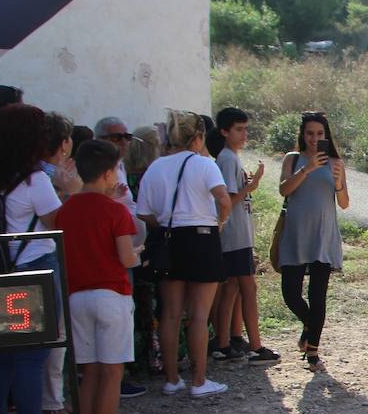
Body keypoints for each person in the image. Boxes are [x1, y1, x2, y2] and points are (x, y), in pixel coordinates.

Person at [0, 105, 69, 414]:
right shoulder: (34, 180)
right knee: (33, 355)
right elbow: (58, 222)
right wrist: (69, 190)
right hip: (35, 266)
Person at [56, 139, 144, 414]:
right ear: (109, 173)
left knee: (88, 372)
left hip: (76, 296)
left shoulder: (65, 210)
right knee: (111, 373)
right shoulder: (115, 210)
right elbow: (124, 257)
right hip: (111, 295)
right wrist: (136, 254)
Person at [135, 111, 231, 398]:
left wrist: (165, 224)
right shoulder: (203, 165)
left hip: (169, 239)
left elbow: (143, 212)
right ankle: (199, 380)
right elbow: (223, 200)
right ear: (198, 137)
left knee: (170, 313)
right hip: (201, 238)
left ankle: (172, 378)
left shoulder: (156, 168)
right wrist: (219, 222)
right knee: (199, 315)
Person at [278, 112, 348, 371]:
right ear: (302, 134)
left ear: (326, 135)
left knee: (317, 296)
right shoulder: (293, 159)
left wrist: (339, 181)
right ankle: (309, 325)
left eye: (319, 134)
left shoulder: (335, 162)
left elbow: (344, 203)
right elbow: (284, 189)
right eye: (310, 133)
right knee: (290, 294)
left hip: (323, 234)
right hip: (296, 233)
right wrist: (306, 170)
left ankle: (313, 353)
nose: (314, 138)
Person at [212, 107, 278, 365]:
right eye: (238, 129)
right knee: (248, 287)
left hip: (236, 233)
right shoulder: (227, 158)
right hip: (234, 234)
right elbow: (228, 199)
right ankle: (255, 346)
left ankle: (224, 344)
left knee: (231, 288)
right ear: (224, 131)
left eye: (245, 129)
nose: (244, 134)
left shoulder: (230, 158)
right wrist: (250, 186)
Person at [94, 116, 149, 398]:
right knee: (115, 316)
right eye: (116, 138)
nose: (124, 142)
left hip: (127, 244)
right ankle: (115, 376)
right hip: (115, 251)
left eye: (126, 137)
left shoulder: (120, 166)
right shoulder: (100, 172)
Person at [39, 112, 79, 414]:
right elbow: (60, 222)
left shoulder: (14, 173)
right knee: (55, 337)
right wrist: (73, 191)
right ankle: (52, 404)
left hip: (32, 262)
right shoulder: (46, 177)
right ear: (64, 144)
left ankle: (52, 400)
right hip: (44, 262)